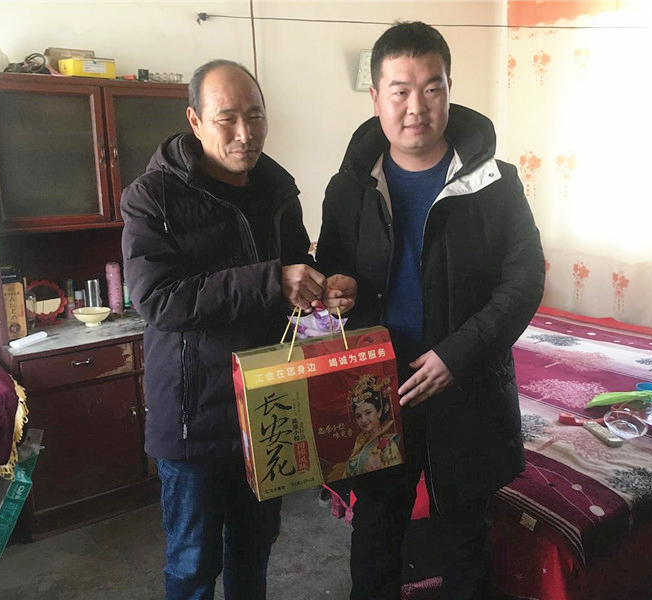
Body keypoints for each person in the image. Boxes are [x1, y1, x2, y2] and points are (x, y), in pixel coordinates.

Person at [316, 22, 546, 600]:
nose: (416, 106)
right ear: (376, 97)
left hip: (466, 388)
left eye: (431, 88)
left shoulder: (495, 184)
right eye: (400, 90)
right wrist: (337, 290)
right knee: (375, 532)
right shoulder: (348, 189)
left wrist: (456, 355)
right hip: (376, 390)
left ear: (448, 89)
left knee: (465, 537)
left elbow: (523, 281)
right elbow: (335, 275)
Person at [121, 59, 341, 600]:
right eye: (227, 119)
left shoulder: (277, 190)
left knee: (254, 547)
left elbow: (295, 274)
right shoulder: (152, 196)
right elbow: (158, 299)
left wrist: (321, 288)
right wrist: (273, 280)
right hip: (192, 416)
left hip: (265, 408)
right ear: (195, 121)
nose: (245, 133)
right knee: (193, 562)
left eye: (256, 116)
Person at [339, 374, 402, 479]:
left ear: (379, 412)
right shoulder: (359, 445)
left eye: (368, 413)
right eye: (359, 416)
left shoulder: (388, 444)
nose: (364, 420)